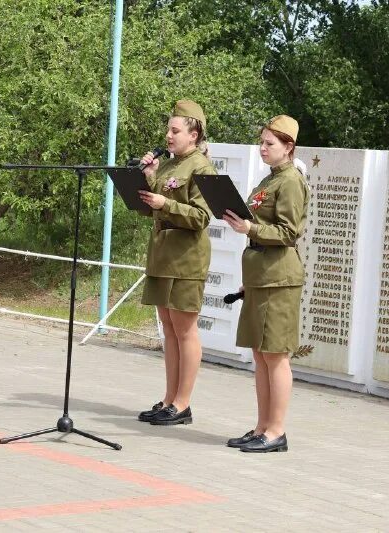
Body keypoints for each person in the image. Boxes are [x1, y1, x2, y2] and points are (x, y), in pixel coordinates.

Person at [222, 115, 309, 452]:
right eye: (261, 142)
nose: (262, 148)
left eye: (269, 143)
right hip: (260, 275)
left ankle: (276, 431)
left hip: (279, 277)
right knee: (260, 354)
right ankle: (261, 427)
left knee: (275, 355)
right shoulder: (268, 181)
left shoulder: (290, 182)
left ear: (288, 147)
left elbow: (289, 233)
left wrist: (251, 229)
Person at [136, 100, 216, 426]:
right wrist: (148, 178)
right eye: (168, 130)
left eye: (175, 130)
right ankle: (169, 399)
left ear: (193, 134)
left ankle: (183, 403)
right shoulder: (168, 165)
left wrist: (165, 202)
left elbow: (201, 216)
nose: (168, 136)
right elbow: (153, 205)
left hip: (186, 258)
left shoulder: (203, 169)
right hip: (162, 253)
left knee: (184, 330)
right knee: (168, 330)